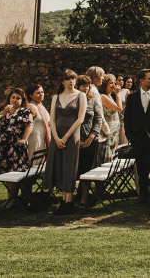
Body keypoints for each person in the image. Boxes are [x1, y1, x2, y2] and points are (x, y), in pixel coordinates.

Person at [123, 69, 150, 203]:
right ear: (142, 80)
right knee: (141, 166)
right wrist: (130, 135)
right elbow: (127, 118)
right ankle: (143, 194)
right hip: (138, 137)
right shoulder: (132, 97)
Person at [47, 69, 87, 215]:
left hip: (72, 135)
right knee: (59, 165)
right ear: (62, 81)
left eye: (73, 79)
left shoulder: (81, 95)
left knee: (70, 165)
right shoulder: (55, 97)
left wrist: (65, 137)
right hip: (57, 135)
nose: (71, 81)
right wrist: (56, 138)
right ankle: (63, 199)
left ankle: (69, 201)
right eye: (68, 79)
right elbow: (51, 119)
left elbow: (80, 119)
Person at [0, 88, 34, 208]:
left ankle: (12, 199)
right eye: (13, 97)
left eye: (18, 98)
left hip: (16, 148)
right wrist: (2, 113)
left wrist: (24, 139)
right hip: (2, 146)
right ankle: (11, 198)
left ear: (22, 100)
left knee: (13, 172)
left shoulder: (25, 111)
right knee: (5, 173)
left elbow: (29, 126)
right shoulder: (2, 110)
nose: (15, 100)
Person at [76, 75, 101, 209]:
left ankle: (84, 199)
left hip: (90, 140)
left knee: (86, 170)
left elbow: (98, 119)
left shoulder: (92, 101)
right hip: (75, 140)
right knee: (76, 169)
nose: (86, 88)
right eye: (83, 85)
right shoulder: (72, 100)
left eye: (88, 86)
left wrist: (91, 137)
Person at [85, 67, 111, 162]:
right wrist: (107, 130)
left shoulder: (88, 89)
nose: (103, 78)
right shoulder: (94, 91)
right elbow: (99, 114)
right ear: (95, 78)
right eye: (102, 76)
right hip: (93, 129)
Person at [99, 74, 122, 163]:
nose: (114, 86)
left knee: (113, 152)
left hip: (115, 131)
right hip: (109, 130)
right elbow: (119, 108)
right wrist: (118, 94)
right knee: (108, 152)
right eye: (111, 83)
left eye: (114, 83)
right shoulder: (103, 97)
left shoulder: (109, 96)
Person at [25, 84, 51, 158]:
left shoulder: (41, 106)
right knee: (35, 158)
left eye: (42, 92)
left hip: (43, 137)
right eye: (38, 93)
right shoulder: (31, 106)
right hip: (35, 137)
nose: (41, 94)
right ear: (31, 95)